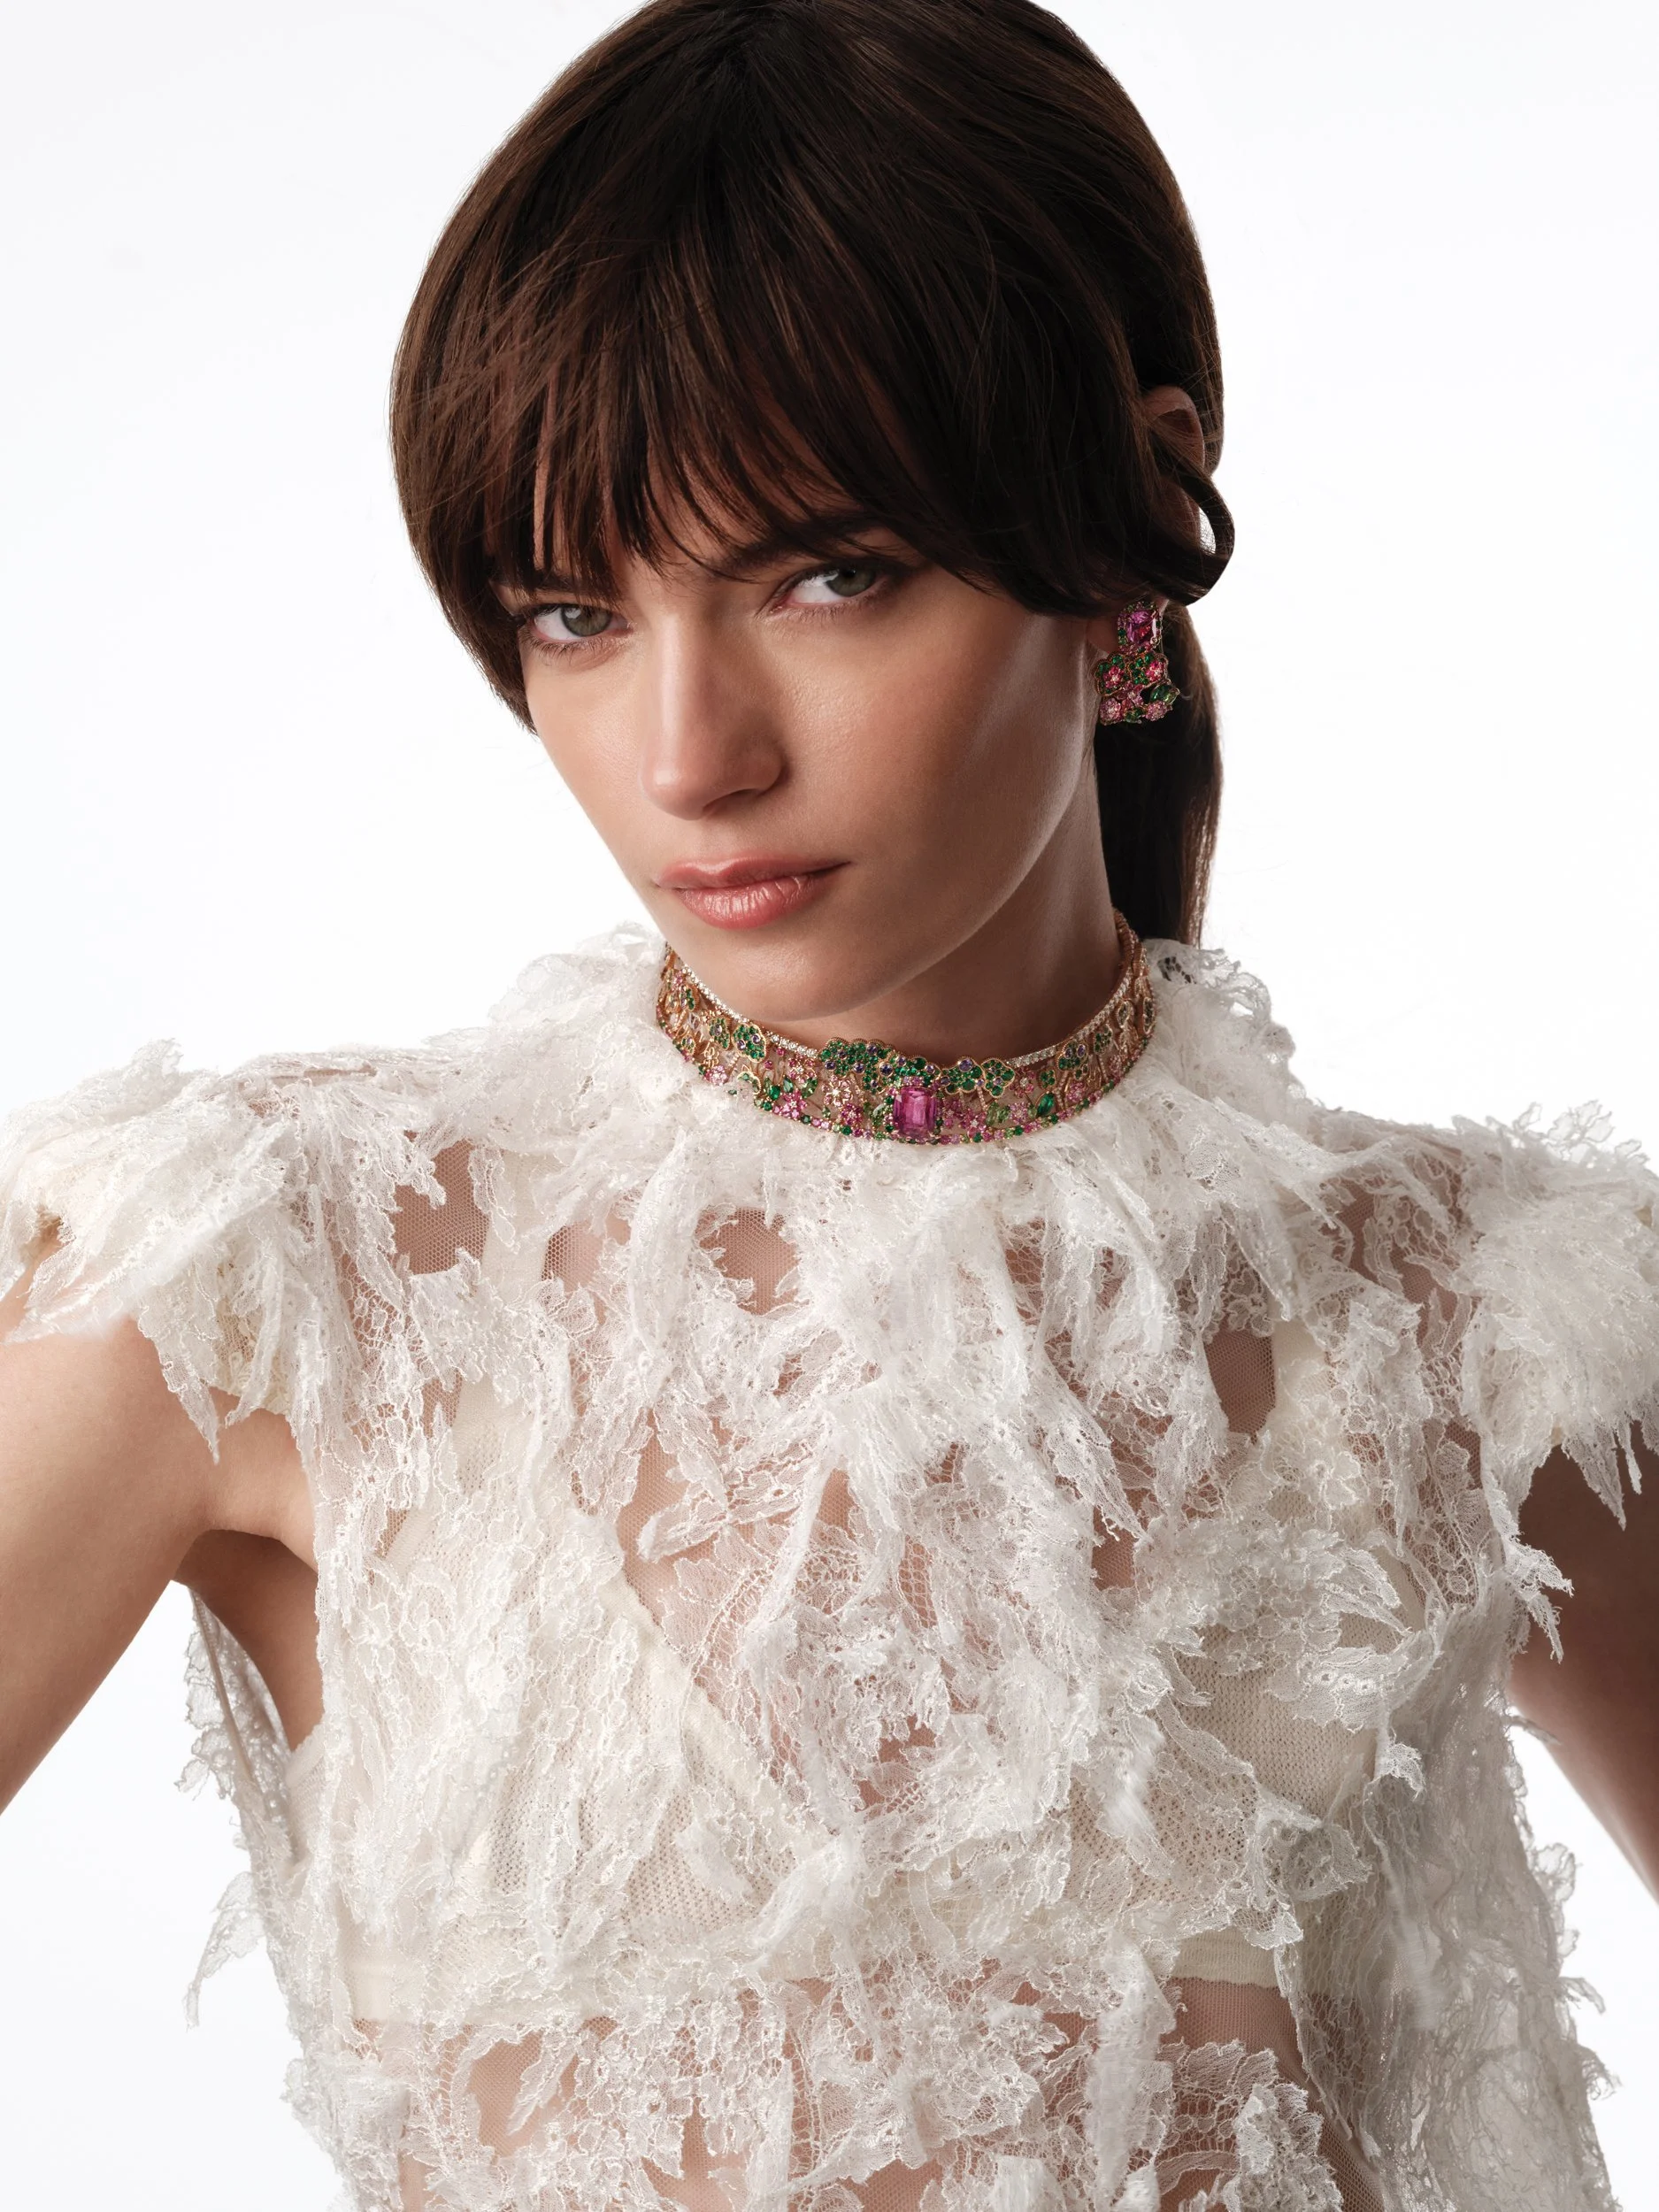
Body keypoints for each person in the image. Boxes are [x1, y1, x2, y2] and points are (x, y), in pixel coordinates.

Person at [1, 0, 1654, 2203]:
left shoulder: (1480, 1311)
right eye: (574, 611)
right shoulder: (281, 1266)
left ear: (1130, 522)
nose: (689, 756)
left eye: (827, 573)